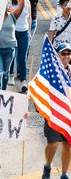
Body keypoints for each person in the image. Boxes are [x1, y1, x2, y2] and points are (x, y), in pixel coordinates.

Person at [41, 43, 71, 179]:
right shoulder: (50, 72)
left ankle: (64, 174)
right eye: (63, 53)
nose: (66, 56)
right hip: (53, 113)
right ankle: (47, 166)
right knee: (52, 144)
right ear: (57, 55)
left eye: (68, 54)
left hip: (69, 115)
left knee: (68, 145)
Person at [0, 0, 25, 90]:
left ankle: (3, 93)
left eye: (6, 4)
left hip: (10, 49)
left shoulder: (13, 16)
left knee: (6, 73)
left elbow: (21, 7)